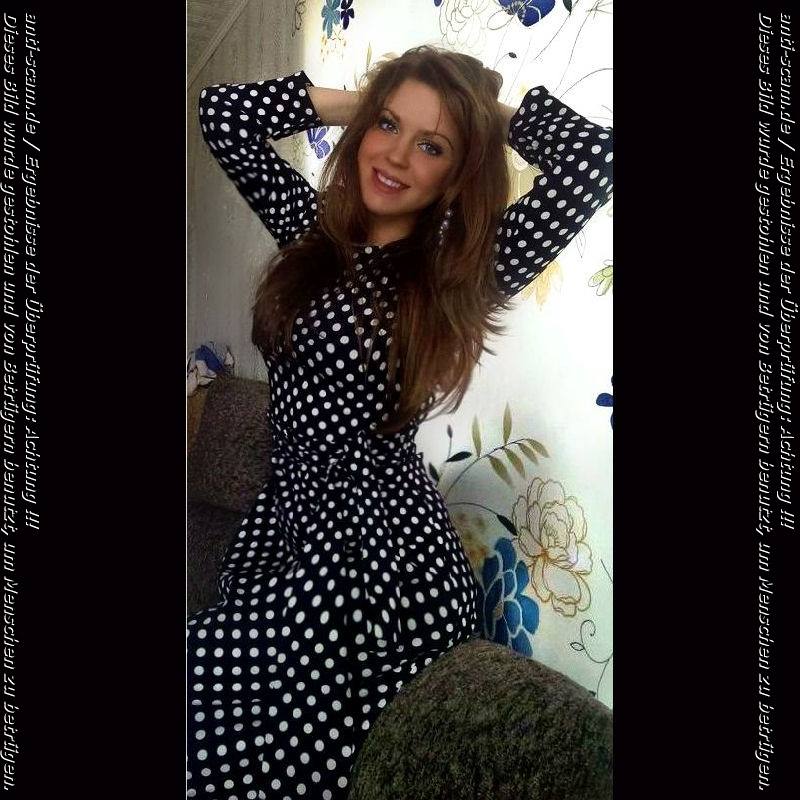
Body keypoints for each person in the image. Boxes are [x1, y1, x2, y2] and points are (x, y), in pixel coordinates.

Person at [188, 44, 613, 800]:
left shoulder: (459, 267)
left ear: (457, 170)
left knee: (253, 743)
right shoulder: (313, 230)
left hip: (374, 555)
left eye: (432, 146)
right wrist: (370, 99)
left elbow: (592, 159)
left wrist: (482, 115)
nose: (394, 156)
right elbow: (223, 115)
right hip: (287, 520)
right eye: (388, 126)